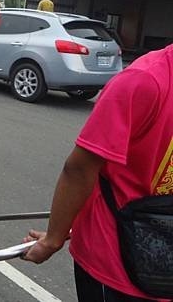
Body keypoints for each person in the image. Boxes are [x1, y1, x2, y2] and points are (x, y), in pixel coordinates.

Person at [22, 44, 173, 301]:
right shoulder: (149, 80)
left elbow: (79, 169)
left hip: (115, 263)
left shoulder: (143, 80)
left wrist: (53, 240)